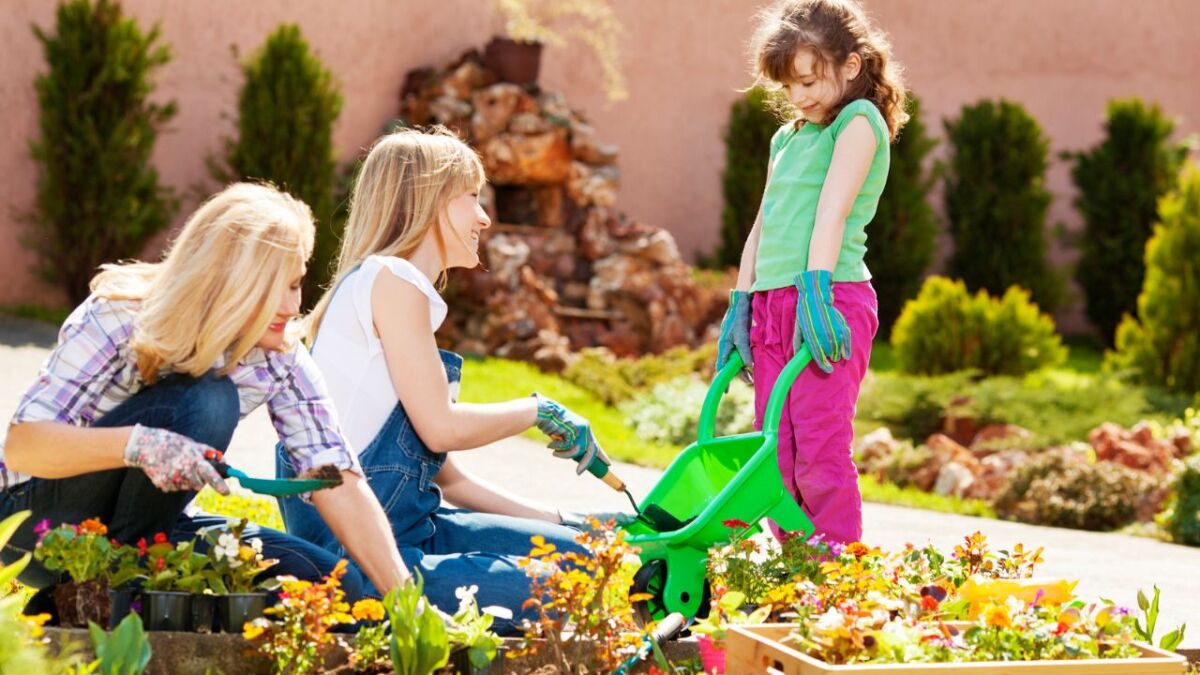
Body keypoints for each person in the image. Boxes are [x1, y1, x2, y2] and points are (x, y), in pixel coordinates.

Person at [276, 128, 622, 633]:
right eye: (473, 197)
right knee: (565, 586)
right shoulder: (392, 282)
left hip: (410, 530)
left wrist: (566, 521)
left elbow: (448, 477)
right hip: (364, 560)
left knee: (588, 558)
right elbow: (440, 428)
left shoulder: (386, 285)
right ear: (430, 198)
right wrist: (538, 410)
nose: (484, 216)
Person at [0, 183, 409, 603]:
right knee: (210, 400)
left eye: (296, 283)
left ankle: (84, 600)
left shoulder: (278, 355)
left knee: (330, 585)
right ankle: (118, 594)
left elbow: (337, 479)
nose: (292, 306)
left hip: (150, 532)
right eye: (275, 288)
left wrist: (406, 600)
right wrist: (139, 445)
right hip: (36, 527)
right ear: (226, 282)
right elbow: (23, 446)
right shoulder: (119, 316)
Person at [715, 0, 908, 544]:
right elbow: (763, 223)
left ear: (851, 64)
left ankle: (833, 578)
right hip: (774, 307)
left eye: (809, 81)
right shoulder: (787, 138)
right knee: (774, 451)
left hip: (829, 298)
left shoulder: (858, 121)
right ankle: (796, 568)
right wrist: (741, 302)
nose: (799, 97)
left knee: (820, 449)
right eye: (789, 87)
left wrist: (816, 294)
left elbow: (832, 212)